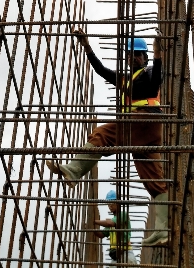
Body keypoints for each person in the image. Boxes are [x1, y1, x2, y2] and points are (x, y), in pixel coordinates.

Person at [45, 30, 168, 247]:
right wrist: (87, 47)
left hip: (145, 120)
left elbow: (156, 81)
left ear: (145, 57)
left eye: (138, 54)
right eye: (130, 56)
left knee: (102, 134)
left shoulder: (149, 72)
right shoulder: (125, 79)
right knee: (154, 182)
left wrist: (158, 54)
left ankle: (74, 170)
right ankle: (163, 230)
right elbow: (101, 70)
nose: (133, 58)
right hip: (145, 133)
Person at [95, 189, 138, 265]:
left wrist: (95, 221)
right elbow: (101, 234)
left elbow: (110, 223)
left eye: (112, 203)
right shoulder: (113, 221)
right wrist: (91, 229)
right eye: (108, 203)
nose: (110, 205)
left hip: (126, 253)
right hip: (116, 255)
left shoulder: (123, 215)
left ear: (118, 203)